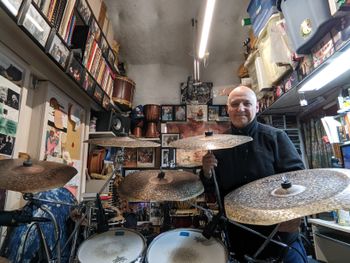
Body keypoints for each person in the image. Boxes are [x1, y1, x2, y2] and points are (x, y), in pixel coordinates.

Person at [201, 85, 307, 262]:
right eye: (235, 104)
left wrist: (292, 214)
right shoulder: (217, 146)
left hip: (279, 235)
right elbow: (212, 189)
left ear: (256, 107)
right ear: (228, 109)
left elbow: (299, 178)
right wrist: (206, 172)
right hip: (240, 237)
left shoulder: (276, 137)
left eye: (246, 103)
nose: (240, 108)